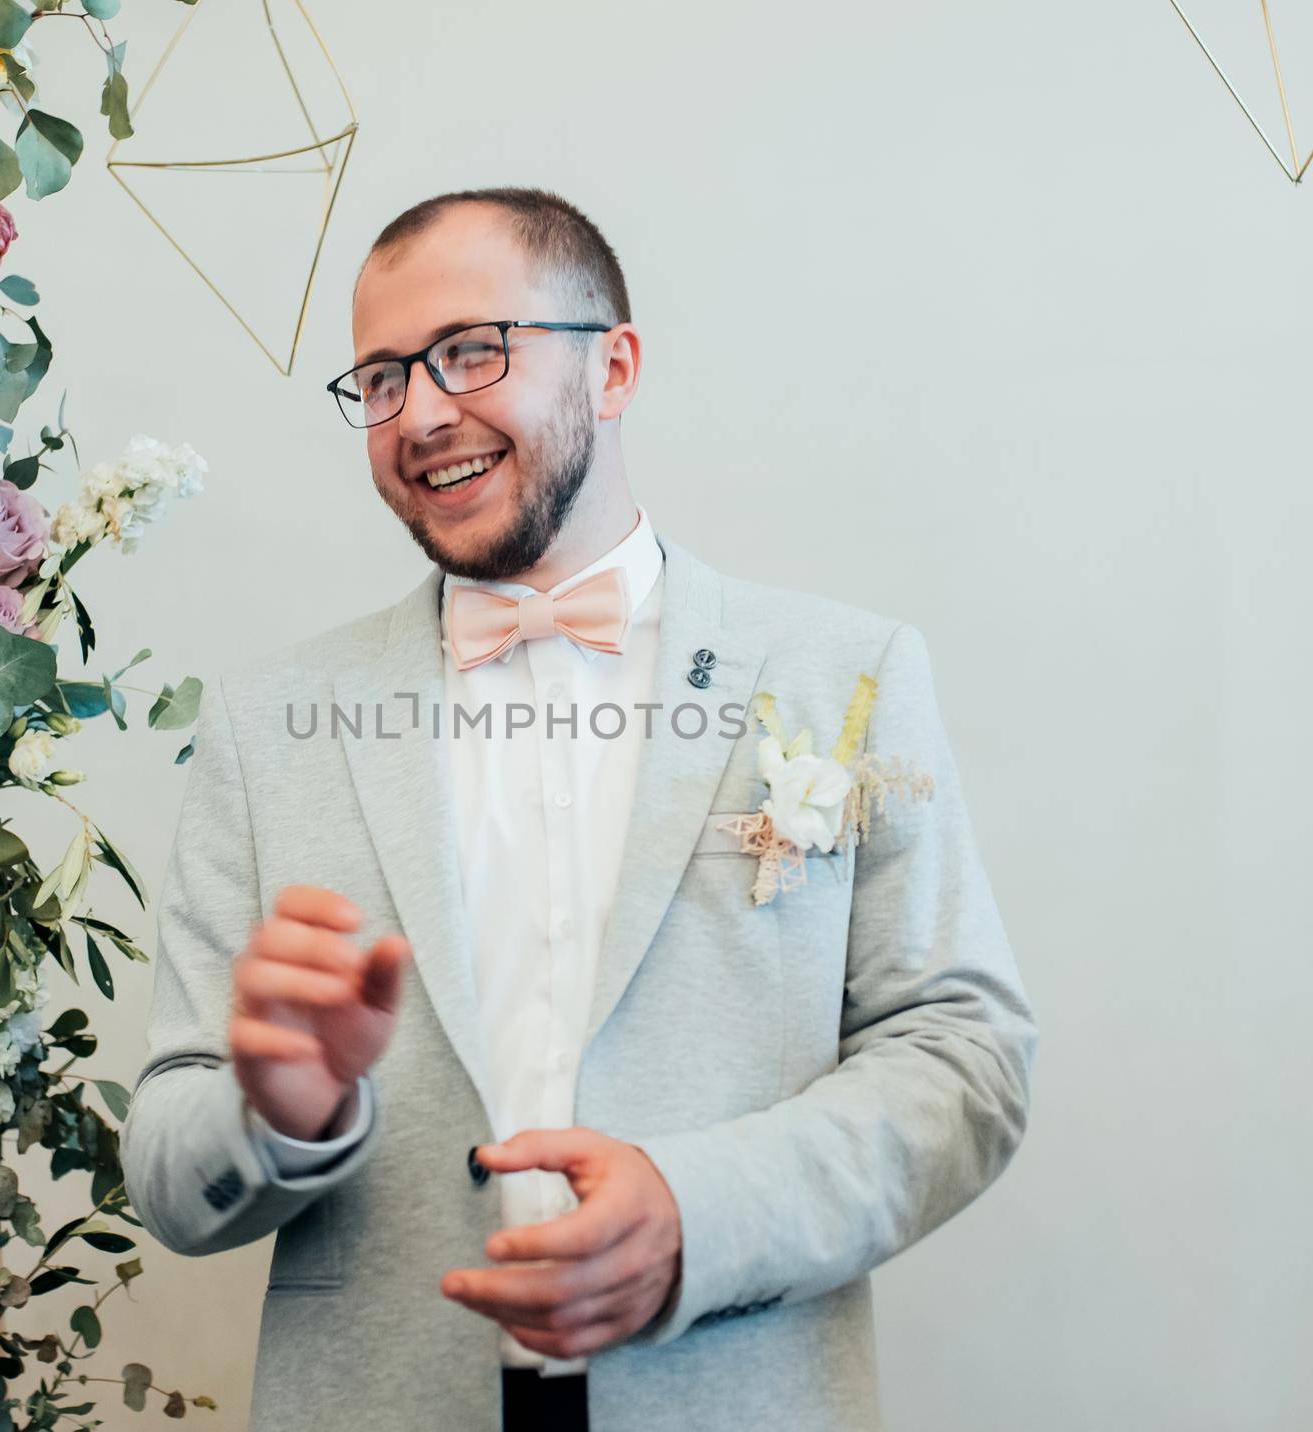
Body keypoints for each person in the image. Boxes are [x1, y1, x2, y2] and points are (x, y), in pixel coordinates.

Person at [119, 186, 1039, 1432]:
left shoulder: (843, 674)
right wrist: (279, 1108)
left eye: (469, 350)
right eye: (381, 378)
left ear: (613, 368)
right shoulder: (262, 720)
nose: (421, 412)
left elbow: (964, 1060)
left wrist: (694, 1210)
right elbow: (172, 1173)